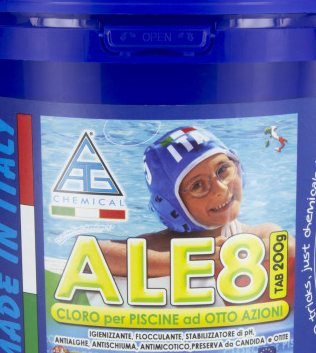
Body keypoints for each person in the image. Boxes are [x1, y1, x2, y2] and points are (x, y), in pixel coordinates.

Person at [97, 126, 295, 306]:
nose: (221, 188)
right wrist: (193, 259)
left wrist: (229, 255)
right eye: (197, 185)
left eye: (223, 170)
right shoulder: (160, 245)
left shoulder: (257, 233)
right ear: (172, 206)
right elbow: (98, 255)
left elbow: (287, 246)